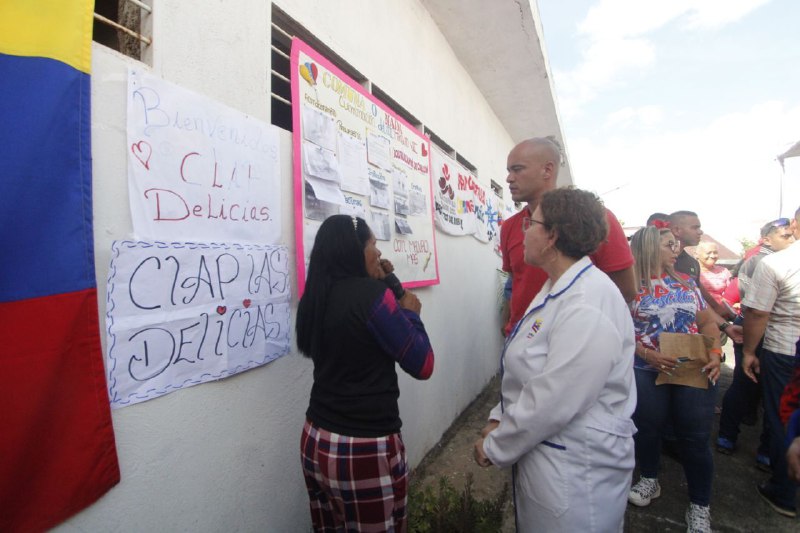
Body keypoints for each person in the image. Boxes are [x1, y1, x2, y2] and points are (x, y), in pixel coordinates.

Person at [473, 187, 636, 531]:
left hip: (578, 472)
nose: (523, 231)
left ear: (552, 237)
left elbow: (554, 398)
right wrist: (499, 416)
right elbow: (527, 370)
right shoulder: (557, 287)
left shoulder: (588, 303)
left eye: (531, 223)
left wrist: (496, 444)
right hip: (551, 458)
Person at [295, 214, 435, 531]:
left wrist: (388, 283)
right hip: (362, 449)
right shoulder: (372, 299)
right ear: (354, 250)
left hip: (316, 439)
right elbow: (423, 363)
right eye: (373, 244)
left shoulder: (315, 296)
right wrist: (411, 315)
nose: (379, 253)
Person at [627, 225, 722, 533]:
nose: (677, 249)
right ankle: (650, 480)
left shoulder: (687, 282)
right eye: (670, 244)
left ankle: (699, 505)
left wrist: (716, 353)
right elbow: (618, 330)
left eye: (677, 244)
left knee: (694, 439)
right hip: (646, 368)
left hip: (692, 367)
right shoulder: (629, 287)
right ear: (650, 248)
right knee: (648, 430)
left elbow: (707, 321)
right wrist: (646, 354)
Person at [500, 137, 636, 335]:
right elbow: (515, 285)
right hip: (521, 339)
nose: (509, 178)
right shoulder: (510, 227)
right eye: (508, 171)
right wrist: (509, 327)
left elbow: (625, 290)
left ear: (547, 169)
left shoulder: (596, 218)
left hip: (577, 339)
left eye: (517, 169)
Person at [717, 218, 795, 461]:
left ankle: (766, 452)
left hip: (775, 338)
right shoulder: (763, 261)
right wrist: (750, 348)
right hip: (755, 331)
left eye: (790, 235)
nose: (791, 239)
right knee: (745, 384)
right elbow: (754, 308)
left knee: (770, 396)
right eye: (785, 235)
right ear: (767, 239)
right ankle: (728, 436)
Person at [742, 208, 800, 518]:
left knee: (784, 418)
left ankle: (784, 492)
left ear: (794, 225)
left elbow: (758, 313)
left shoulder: (778, 263)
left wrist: (749, 352)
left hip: (785, 351)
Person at [669, 211, 742, 343]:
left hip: (689, 336)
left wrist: (725, 326)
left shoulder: (690, 263)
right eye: (695, 227)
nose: (700, 232)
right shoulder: (654, 262)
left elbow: (698, 300)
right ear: (676, 230)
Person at [695, 241, 732, 306]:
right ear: (696, 255)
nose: (712, 256)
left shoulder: (724, 271)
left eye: (715, 253)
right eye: (708, 253)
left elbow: (732, 293)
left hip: (721, 309)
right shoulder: (692, 271)